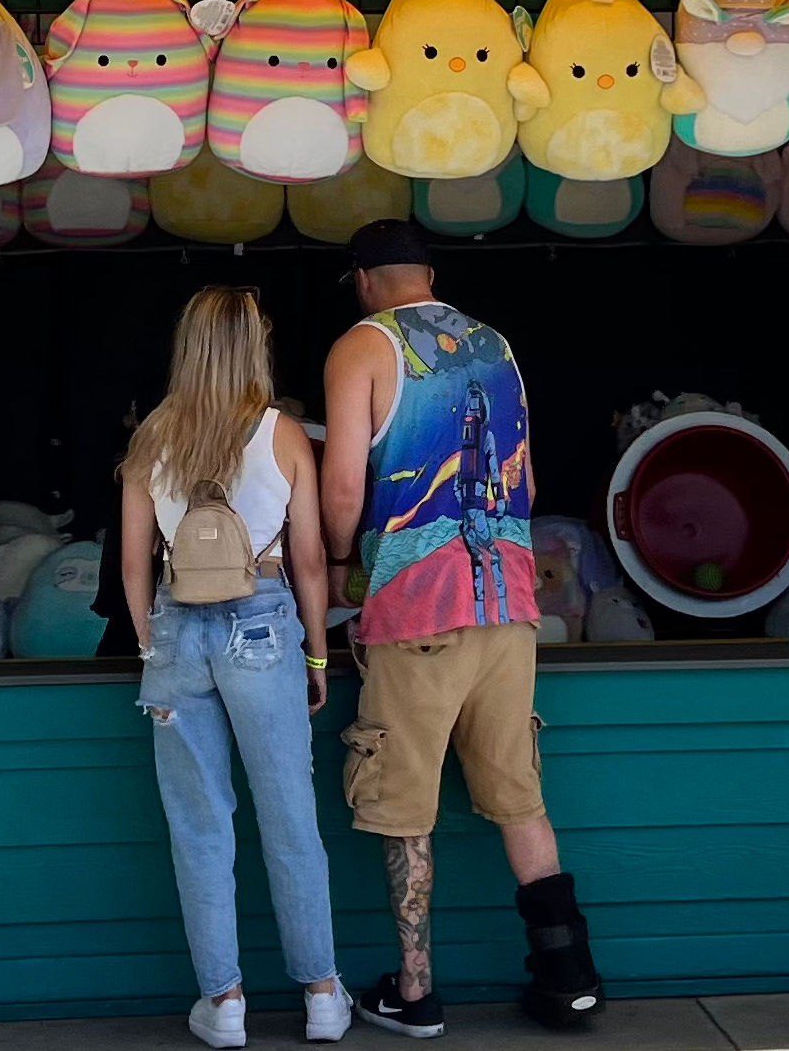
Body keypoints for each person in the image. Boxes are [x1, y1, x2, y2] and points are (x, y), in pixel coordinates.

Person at [320, 221, 603, 1038]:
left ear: (363, 278)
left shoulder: (362, 347)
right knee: (519, 794)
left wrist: (345, 562)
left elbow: (343, 489)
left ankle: (415, 993)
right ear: (431, 275)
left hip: (415, 608)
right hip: (509, 604)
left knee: (404, 803)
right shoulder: (497, 345)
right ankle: (569, 975)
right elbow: (530, 478)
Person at [119, 286, 351, 1048]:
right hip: (266, 626)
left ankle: (224, 1005)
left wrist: (154, 650)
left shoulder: (152, 435)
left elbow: (132, 568)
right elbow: (311, 559)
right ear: (254, 346)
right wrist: (316, 652)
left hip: (177, 635)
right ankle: (320, 995)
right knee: (290, 819)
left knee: (199, 828)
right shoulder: (283, 433)